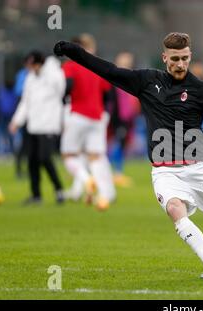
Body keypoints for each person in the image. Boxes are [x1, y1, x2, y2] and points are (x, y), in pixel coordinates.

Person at [54, 32, 203, 278]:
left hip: (199, 166)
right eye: (175, 58)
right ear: (164, 57)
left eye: (185, 58)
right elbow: (109, 71)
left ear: (190, 57)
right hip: (165, 170)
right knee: (174, 209)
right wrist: (74, 52)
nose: (180, 64)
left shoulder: (201, 90)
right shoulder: (146, 81)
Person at [61, 33, 116, 210]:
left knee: (69, 155)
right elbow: (108, 94)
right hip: (97, 117)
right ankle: (105, 193)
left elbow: (68, 86)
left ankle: (86, 180)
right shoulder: (95, 67)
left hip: (78, 114)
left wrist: (64, 99)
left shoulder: (70, 66)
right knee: (96, 156)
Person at [8, 51, 65, 205]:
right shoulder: (30, 78)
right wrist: (16, 121)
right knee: (32, 160)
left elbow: (61, 91)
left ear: (38, 63)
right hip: (33, 125)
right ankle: (36, 195)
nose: (28, 69)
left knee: (45, 158)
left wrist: (48, 72)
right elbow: (25, 102)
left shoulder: (55, 74)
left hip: (48, 125)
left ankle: (59, 189)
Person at [108, 51, 140, 188]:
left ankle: (116, 173)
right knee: (116, 144)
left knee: (122, 144)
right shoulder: (115, 78)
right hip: (117, 118)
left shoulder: (131, 78)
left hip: (128, 118)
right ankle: (115, 173)